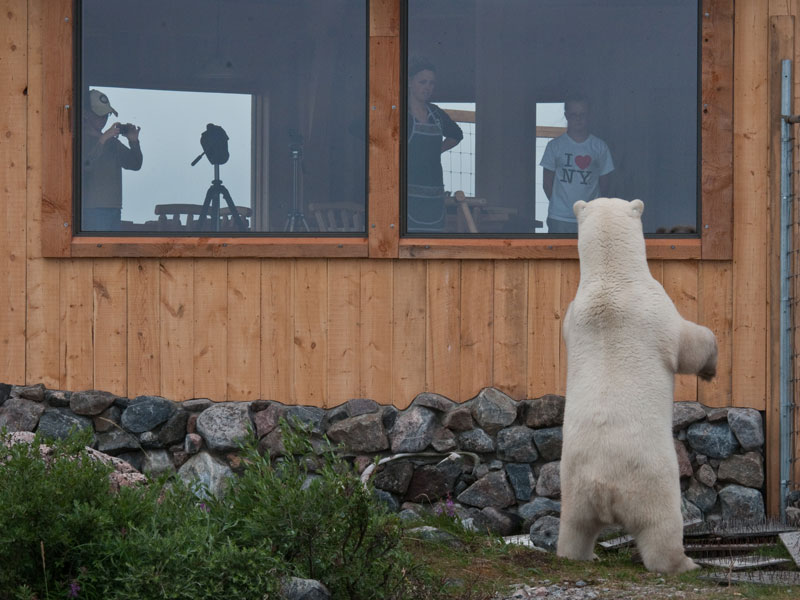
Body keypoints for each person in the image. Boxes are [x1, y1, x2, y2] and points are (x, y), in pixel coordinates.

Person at [540, 95, 614, 234]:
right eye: (574, 115)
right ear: (566, 116)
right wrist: (561, 206)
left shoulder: (599, 147)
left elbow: (605, 184)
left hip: (590, 218)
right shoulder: (554, 146)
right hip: (559, 218)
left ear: (589, 116)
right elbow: (547, 184)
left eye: (582, 114)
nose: (578, 119)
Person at [407, 58, 463, 232]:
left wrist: (434, 152)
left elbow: (456, 135)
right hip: (406, 195)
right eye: (422, 82)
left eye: (432, 83)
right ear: (409, 82)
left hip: (435, 194)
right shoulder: (399, 112)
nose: (427, 87)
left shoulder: (436, 113)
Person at [81, 89, 143, 231]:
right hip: (92, 209)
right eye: (99, 115)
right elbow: (86, 166)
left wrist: (134, 141)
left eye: (106, 115)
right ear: (85, 114)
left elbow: (135, 164)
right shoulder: (81, 139)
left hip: (114, 207)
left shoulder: (111, 142)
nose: (103, 119)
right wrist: (102, 139)